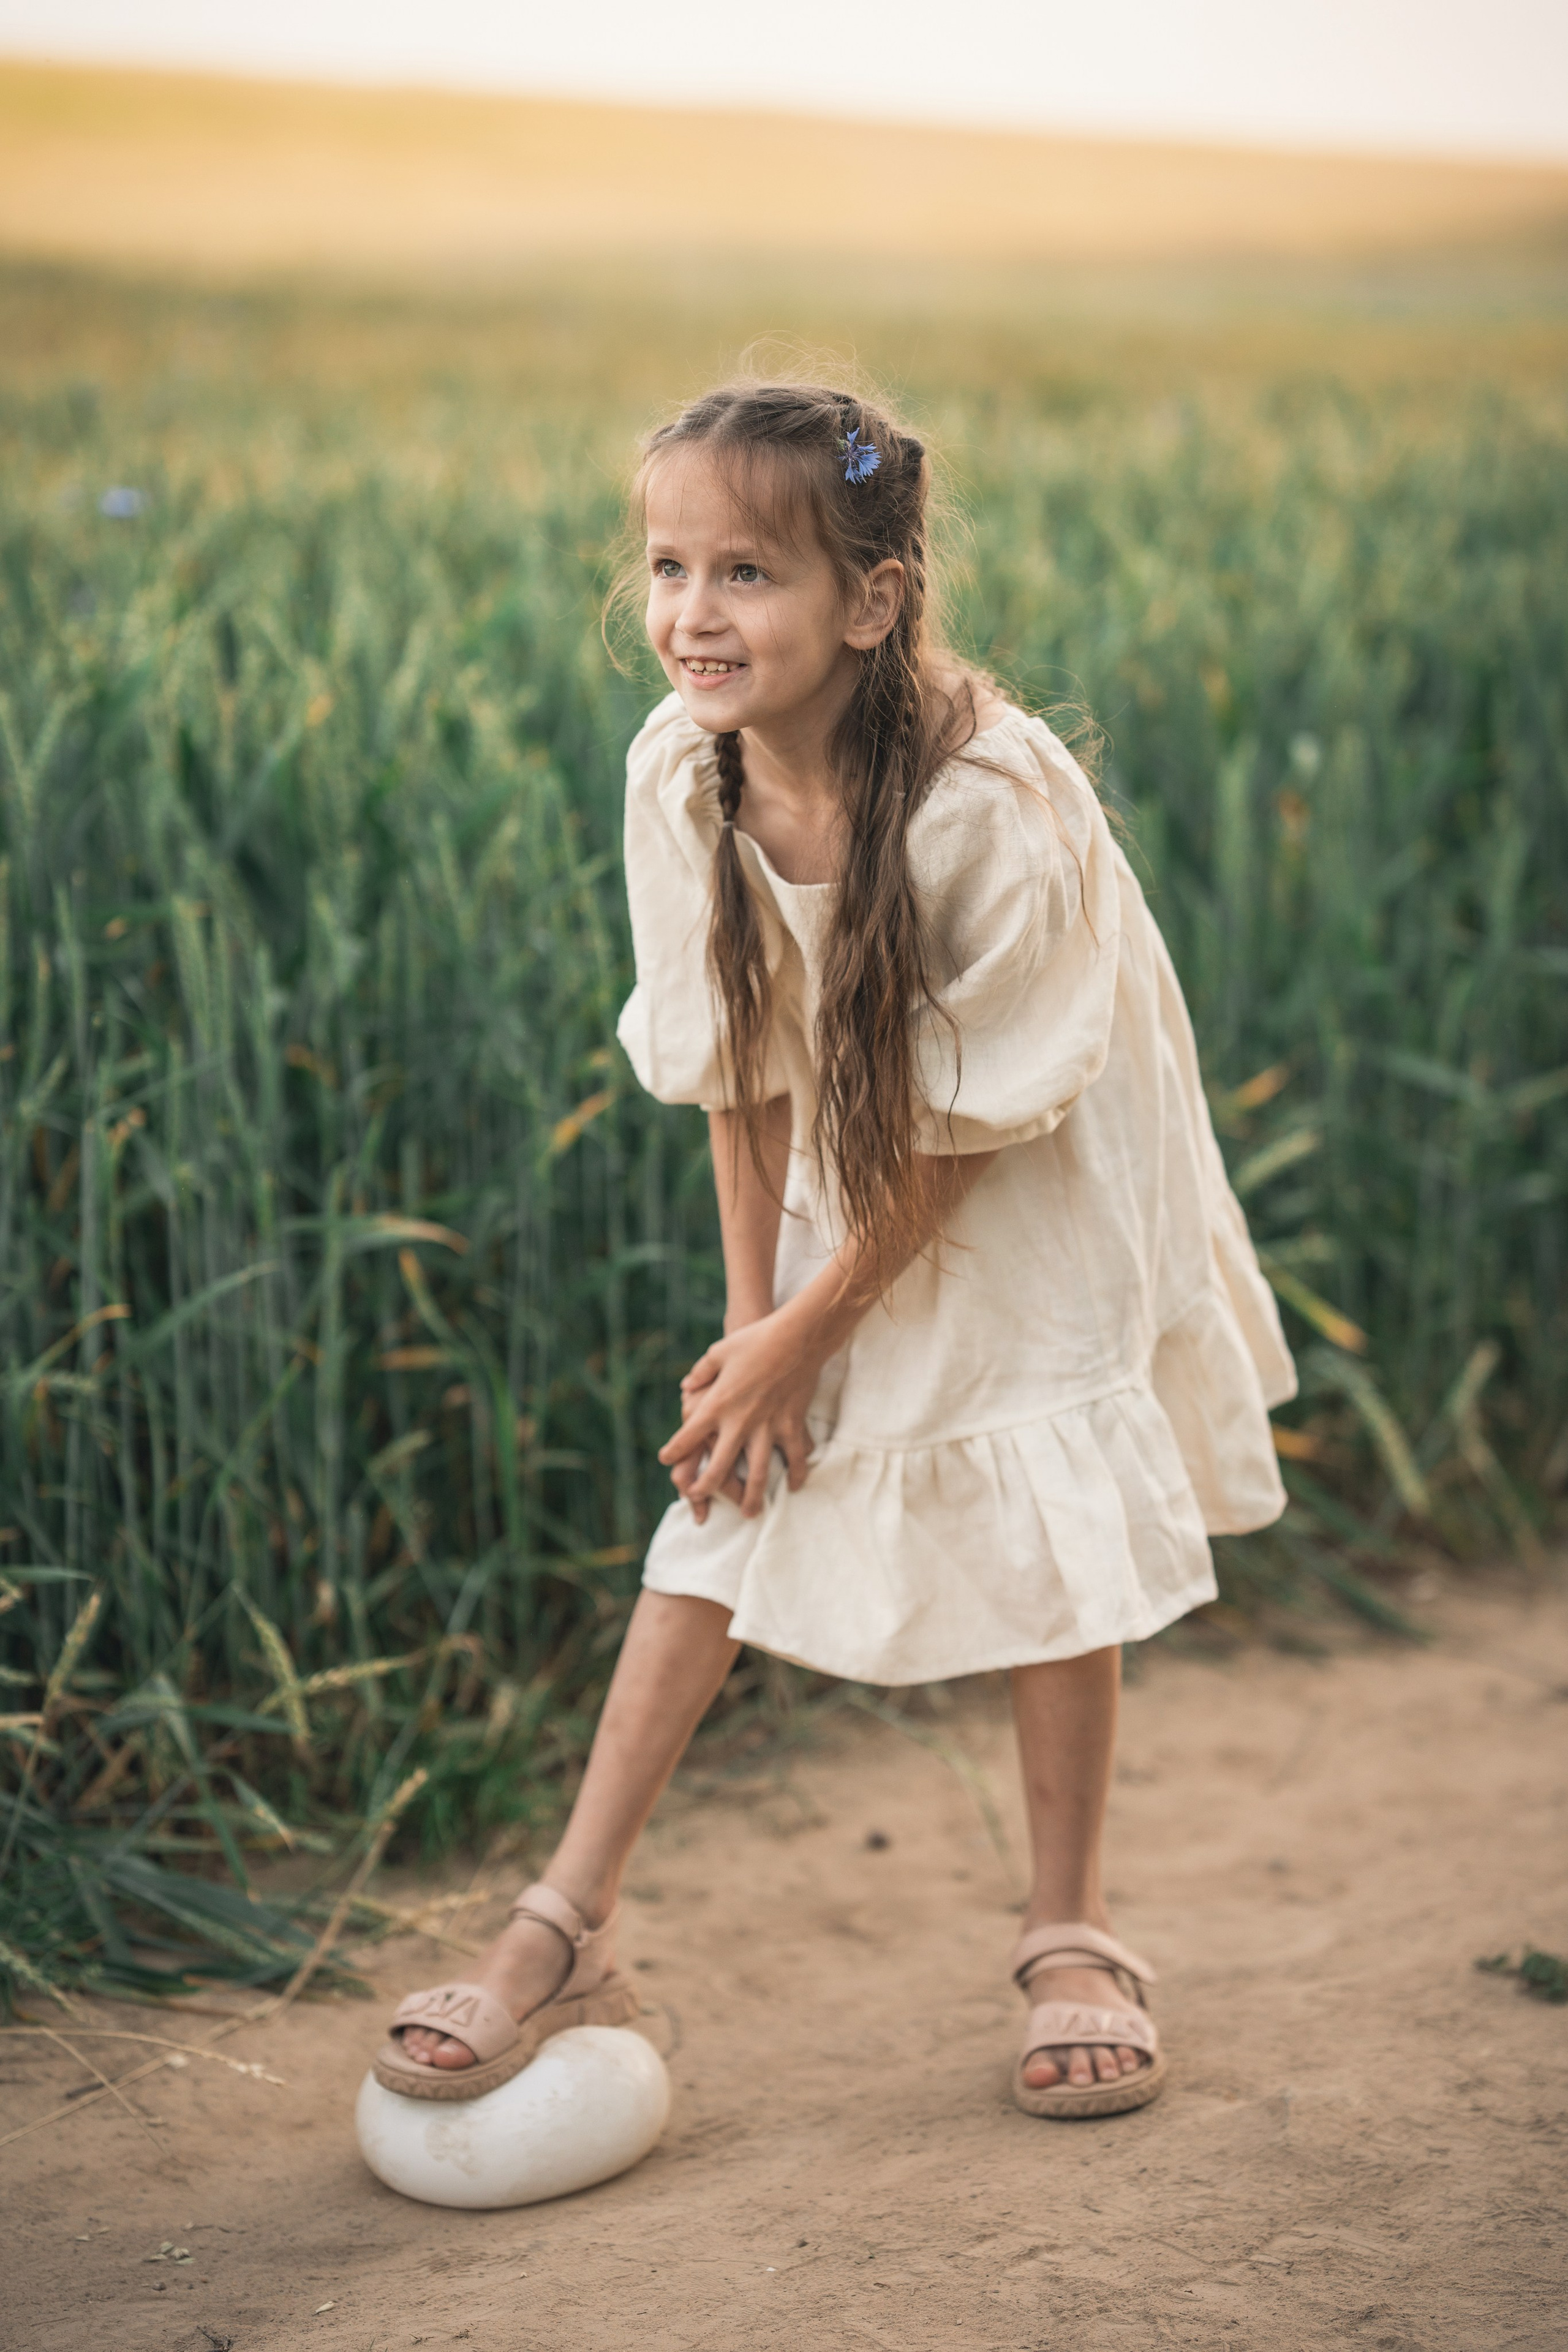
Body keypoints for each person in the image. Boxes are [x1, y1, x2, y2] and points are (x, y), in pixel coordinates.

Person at [373, 379, 1295, 2120]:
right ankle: (566, 1922)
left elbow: (976, 1128)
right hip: (852, 1157)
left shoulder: (988, 807)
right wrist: (756, 1332)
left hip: (1033, 1156)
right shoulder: (683, 769)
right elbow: (736, 1071)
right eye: (668, 567)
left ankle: (1072, 1929)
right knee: (728, 1474)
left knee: (1038, 1491)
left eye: (748, 574)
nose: (692, 615)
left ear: (870, 601)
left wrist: (813, 1324)